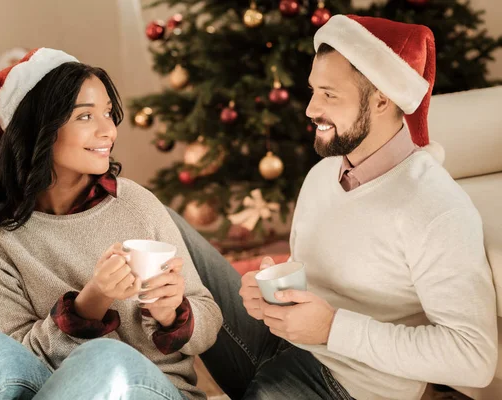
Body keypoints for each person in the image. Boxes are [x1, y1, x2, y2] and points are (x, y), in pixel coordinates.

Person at [168, 15, 498, 400]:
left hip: (346, 385)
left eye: (329, 95)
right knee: (164, 224)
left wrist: (331, 329)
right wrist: (267, 294)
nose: (310, 109)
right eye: (313, 91)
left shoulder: (435, 208)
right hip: (284, 341)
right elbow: (325, 271)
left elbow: (474, 357)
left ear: (381, 99)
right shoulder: (324, 175)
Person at [0, 48, 221, 400]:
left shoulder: (135, 204)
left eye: (107, 113)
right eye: (85, 117)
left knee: (104, 355)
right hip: (48, 389)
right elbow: (17, 356)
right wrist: (89, 303)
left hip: (153, 389)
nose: (109, 130)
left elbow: (208, 320)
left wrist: (173, 313)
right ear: (38, 128)